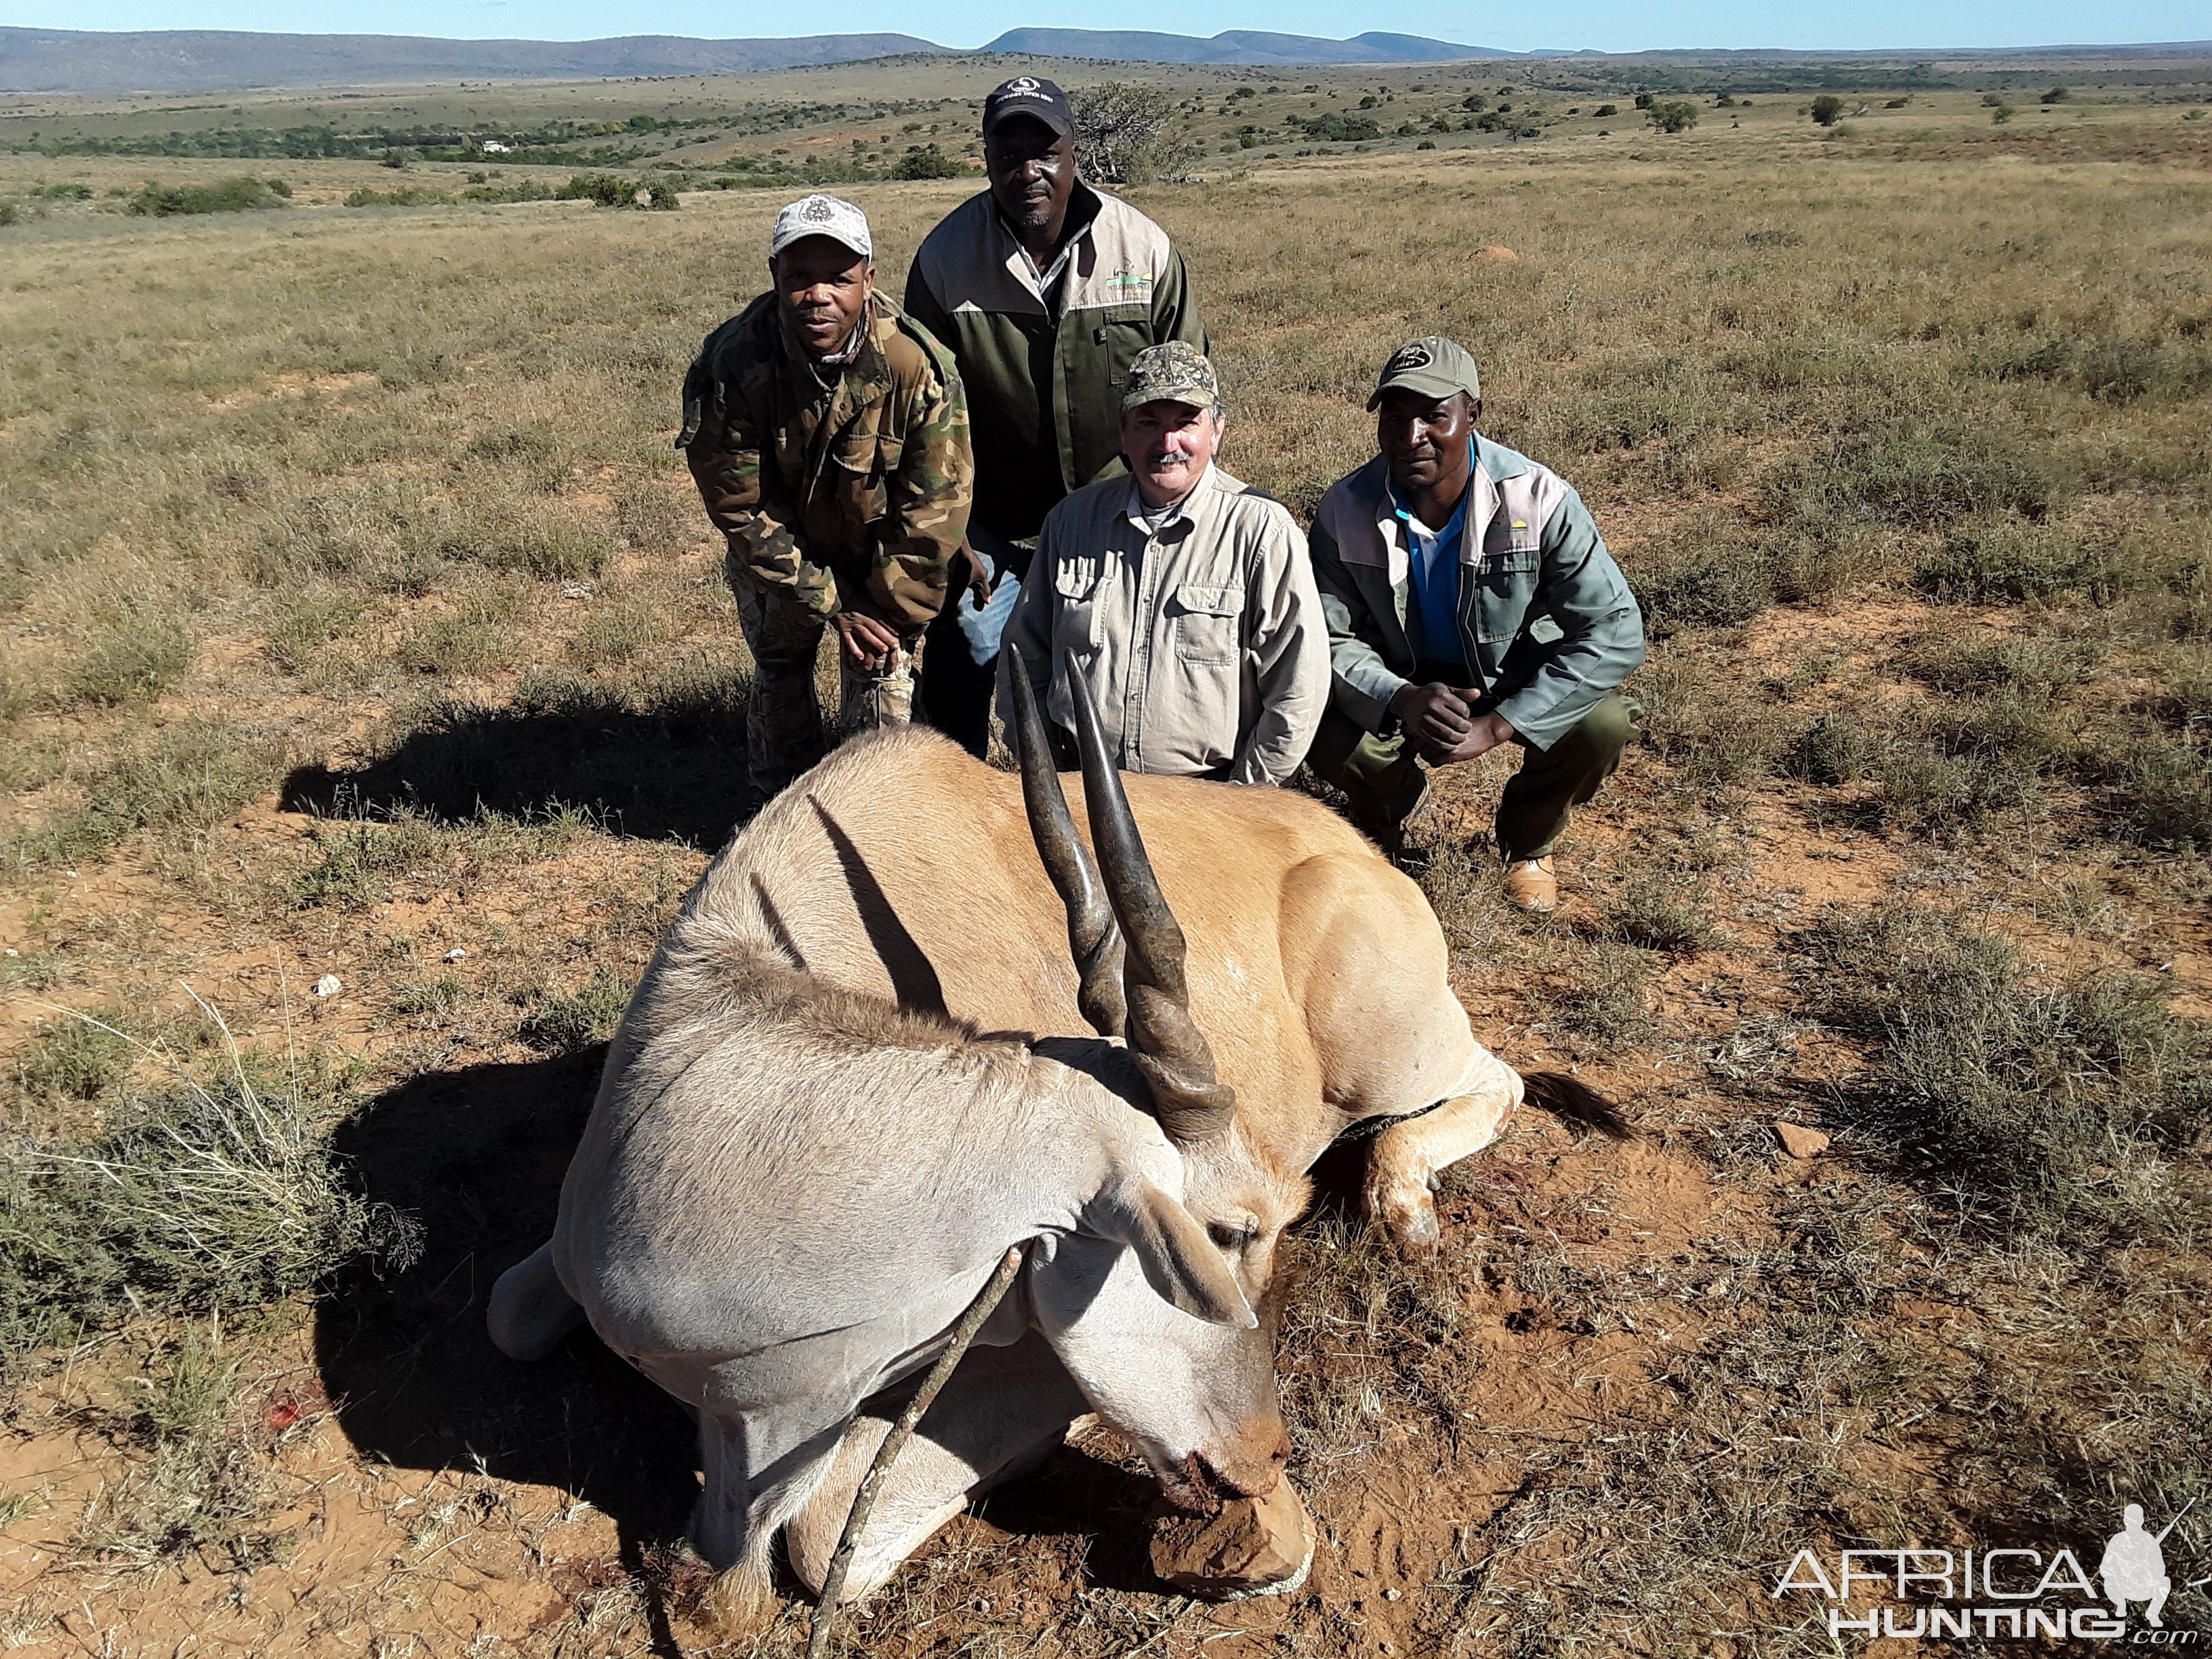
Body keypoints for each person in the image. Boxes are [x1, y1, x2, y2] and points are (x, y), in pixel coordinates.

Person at [906, 75, 1210, 758]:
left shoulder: (1144, 251)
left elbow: (1189, 400)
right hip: (992, 519)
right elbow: (920, 414)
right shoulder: (945, 260)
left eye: (1044, 151)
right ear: (986, 158)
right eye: (1007, 154)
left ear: (1075, 152)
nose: (1028, 171)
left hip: (1117, 511)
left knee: (1118, 675)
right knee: (969, 658)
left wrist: (1177, 511)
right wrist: (951, 525)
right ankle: (950, 804)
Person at [1305, 337, 1643, 911]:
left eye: (1434, 416)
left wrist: (1502, 723)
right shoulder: (1345, 508)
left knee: (1602, 723)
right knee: (1309, 712)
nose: (1411, 435)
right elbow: (1325, 636)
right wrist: (1402, 698)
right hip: (1402, 672)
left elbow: (1615, 629)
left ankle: (1528, 841)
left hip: (1510, 672)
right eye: (1394, 416)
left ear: (1472, 416)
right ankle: (1390, 812)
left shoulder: (1537, 498)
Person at [680, 193, 971, 796]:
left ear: (869, 279)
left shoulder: (917, 364)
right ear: (775, 278)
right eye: (800, 278)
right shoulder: (732, 361)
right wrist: (829, 601)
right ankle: (775, 811)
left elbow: (934, 507)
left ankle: (875, 820)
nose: (819, 296)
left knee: (882, 674)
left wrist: (882, 609)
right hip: (782, 556)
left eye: (838, 279)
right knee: (780, 668)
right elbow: (738, 505)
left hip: (885, 554)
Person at [1001, 343, 1326, 784]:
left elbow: (1299, 688)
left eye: (1186, 423)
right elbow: (1023, 656)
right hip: (1081, 785)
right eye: (1148, 423)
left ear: (1217, 430)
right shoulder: (1071, 521)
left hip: (1206, 796)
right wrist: (1046, 771)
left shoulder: (1262, 529)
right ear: (1122, 431)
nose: (1167, 443)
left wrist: (1246, 800)